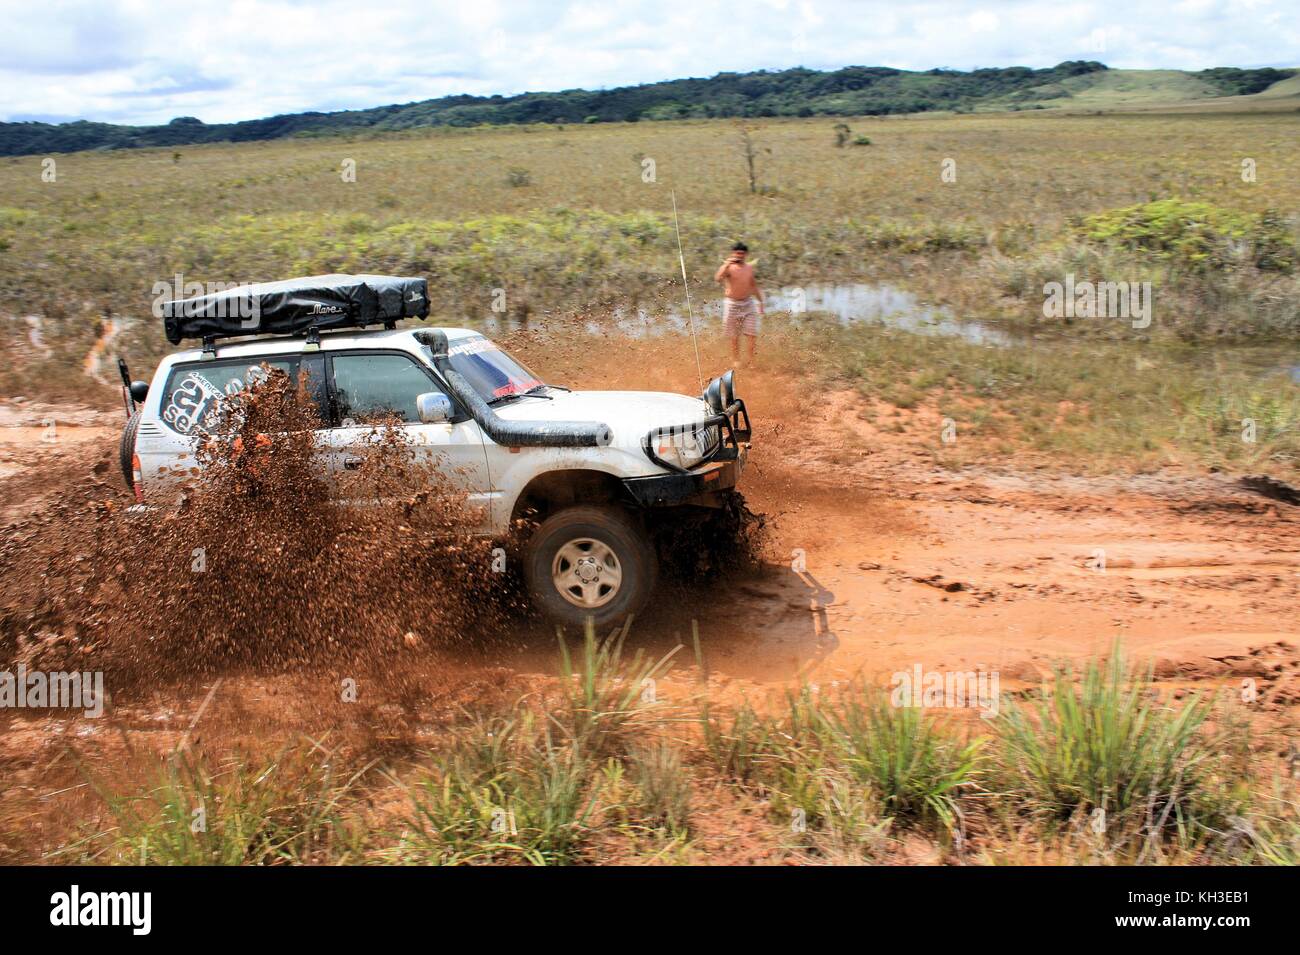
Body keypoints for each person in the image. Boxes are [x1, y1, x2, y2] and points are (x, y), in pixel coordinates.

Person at [714, 241, 764, 366]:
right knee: (734, 335)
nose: (740, 255)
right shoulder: (728, 267)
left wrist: (760, 301)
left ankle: (752, 362)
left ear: (746, 254)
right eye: (737, 253)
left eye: (742, 253)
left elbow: (753, 285)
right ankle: (736, 360)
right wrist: (726, 264)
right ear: (733, 253)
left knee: (752, 333)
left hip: (748, 303)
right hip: (732, 304)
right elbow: (718, 278)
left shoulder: (749, 268)